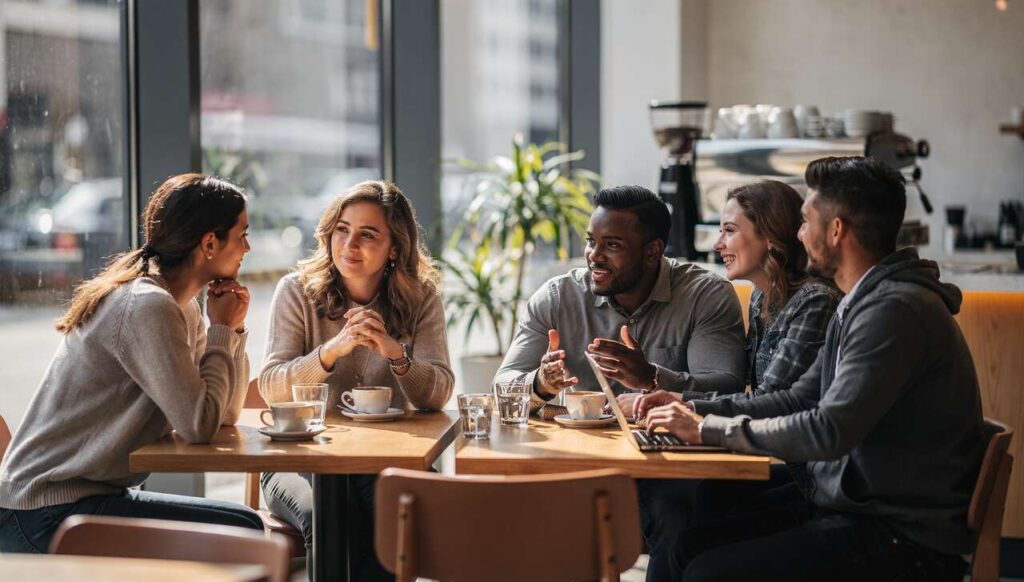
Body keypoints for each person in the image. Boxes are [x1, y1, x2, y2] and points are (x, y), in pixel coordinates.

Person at [637, 157, 986, 581]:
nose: (798, 235)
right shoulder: (861, 302)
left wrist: (706, 428)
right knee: (686, 547)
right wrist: (691, 410)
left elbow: (828, 429)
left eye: (805, 221)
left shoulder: (893, 310)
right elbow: (800, 397)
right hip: (855, 507)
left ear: (836, 230)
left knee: (708, 571)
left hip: (902, 534)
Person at [0, 173, 262, 554]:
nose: (248, 247)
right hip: (47, 514)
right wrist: (220, 328)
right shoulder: (146, 305)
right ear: (209, 243)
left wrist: (232, 330)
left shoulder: (182, 309)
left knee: (245, 526)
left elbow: (224, 414)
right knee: (245, 531)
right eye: (242, 235)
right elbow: (198, 426)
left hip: (79, 504)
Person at [633, 180, 841, 581]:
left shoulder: (815, 301)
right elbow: (742, 392)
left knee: (699, 527)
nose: (717, 244)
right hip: (803, 474)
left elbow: (777, 401)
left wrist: (688, 409)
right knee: (696, 502)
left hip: (820, 483)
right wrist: (667, 392)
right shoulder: (764, 299)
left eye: (729, 230)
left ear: (770, 235)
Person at [259, 180, 453, 581]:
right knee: (328, 515)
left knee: (397, 512)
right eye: (342, 230)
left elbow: (438, 393)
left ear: (395, 248)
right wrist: (332, 351)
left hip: (382, 460)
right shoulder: (296, 291)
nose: (350, 245)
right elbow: (271, 387)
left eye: (368, 234)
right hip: (299, 461)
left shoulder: (421, 298)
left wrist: (394, 353)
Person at [495, 184, 746, 413]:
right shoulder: (557, 298)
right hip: (583, 450)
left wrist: (652, 377)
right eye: (591, 241)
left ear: (653, 251)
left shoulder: (705, 295)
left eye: (612, 245)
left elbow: (726, 389)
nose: (594, 255)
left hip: (673, 451)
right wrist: (540, 383)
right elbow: (500, 388)